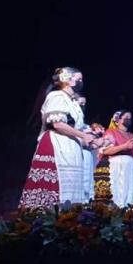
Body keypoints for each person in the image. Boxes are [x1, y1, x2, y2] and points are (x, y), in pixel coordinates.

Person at [19, 67, 98, 209]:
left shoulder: (73, 102)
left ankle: (70, 215)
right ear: (67, 80)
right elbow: (57, 124)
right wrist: (83, 135)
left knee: (73, 184)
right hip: (57, 144)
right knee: (58, 183)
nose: (81, 82)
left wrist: (90, 139)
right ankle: (47, 216)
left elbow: (76, 127)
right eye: (78, 79)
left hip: (71, 147)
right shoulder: (56, 96)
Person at [102, 111, 133, 208]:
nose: (129, 119)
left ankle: (129, 214)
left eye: (130, 117)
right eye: (126, 117)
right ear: (119, 120)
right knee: (117, 193)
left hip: (130, 170)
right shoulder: (111, 132)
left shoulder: (131, 135)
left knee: (129, 194)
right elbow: (106, 150)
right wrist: (124, 146)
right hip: (117, 167)